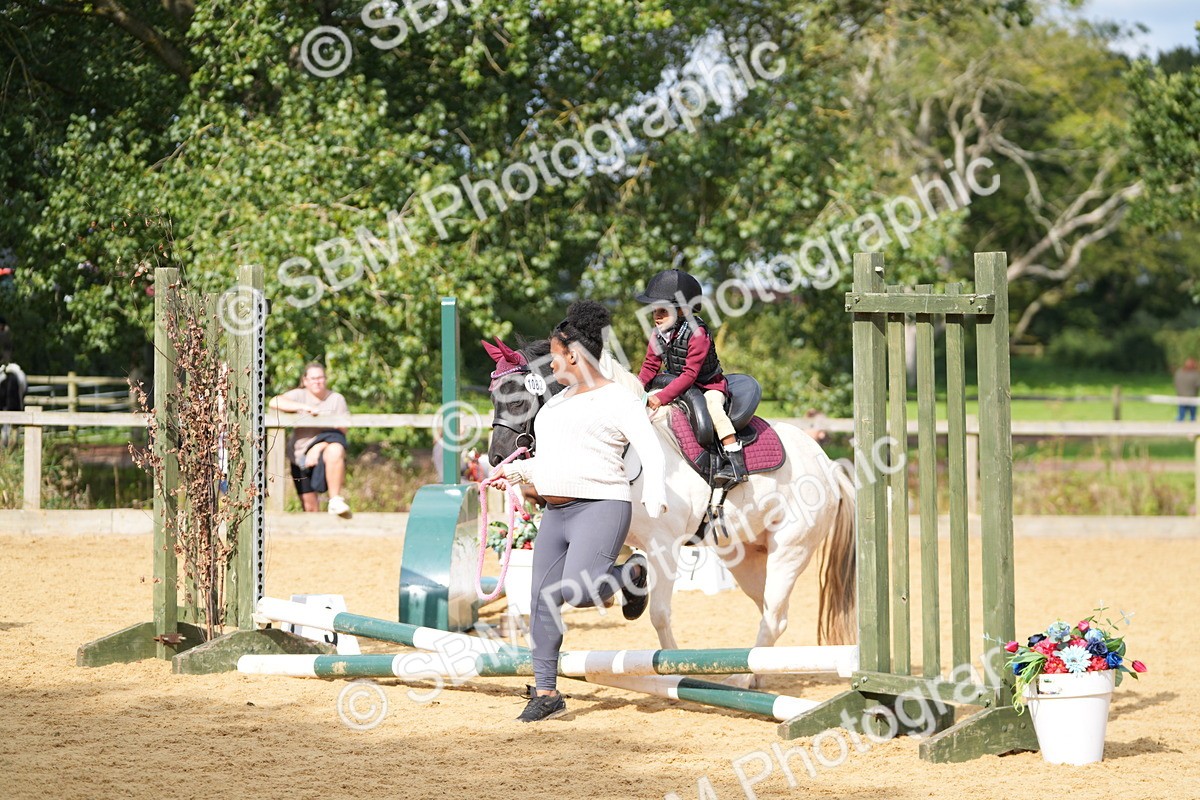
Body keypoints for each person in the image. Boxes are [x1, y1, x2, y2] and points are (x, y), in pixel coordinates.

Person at [490, 300, 668, 723]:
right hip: (556, 513)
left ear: (573, 354)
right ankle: (547, 692)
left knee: (578, 591)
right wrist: (514, 474)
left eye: (554, 355)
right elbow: (551, 460)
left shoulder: (619, 400)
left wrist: (655, 490)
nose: (551, 364)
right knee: (541, 602)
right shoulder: (554, 405)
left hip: (601, 506)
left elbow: (649, 447)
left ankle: (630, 576)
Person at [634, 268, 746, 483]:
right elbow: (650, 366)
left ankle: (734, 459)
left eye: (662, 312)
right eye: (654, 312)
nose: (656, 318)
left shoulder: (698, 334)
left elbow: (690, 375)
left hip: (707, 387)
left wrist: (660, 397)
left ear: (682, 311)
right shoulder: (659, 334)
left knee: (713, 410)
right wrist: (637, 389)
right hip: (676, 383)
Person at [268, 362, 352, 517]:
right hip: (299, 457)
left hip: (325, 453)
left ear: (326, 379)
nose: (317, 381)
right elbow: (274, 402)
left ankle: (335, 500)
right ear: (305, 381)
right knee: (310, 507)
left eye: (320, 377)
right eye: (313, 378)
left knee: (335, 449)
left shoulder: (336, 399)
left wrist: (319, 446)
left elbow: (342, 431)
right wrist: (304, 407)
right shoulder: (299, 395)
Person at [1174, 358, 1200, 422]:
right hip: (1192, 398)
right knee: (1192, 417)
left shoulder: (1179, 372)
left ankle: (1178, 428)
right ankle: (1192, 430)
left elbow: (1176, 383)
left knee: (1181, 416)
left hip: (1181, 396)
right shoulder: (1195, 374)